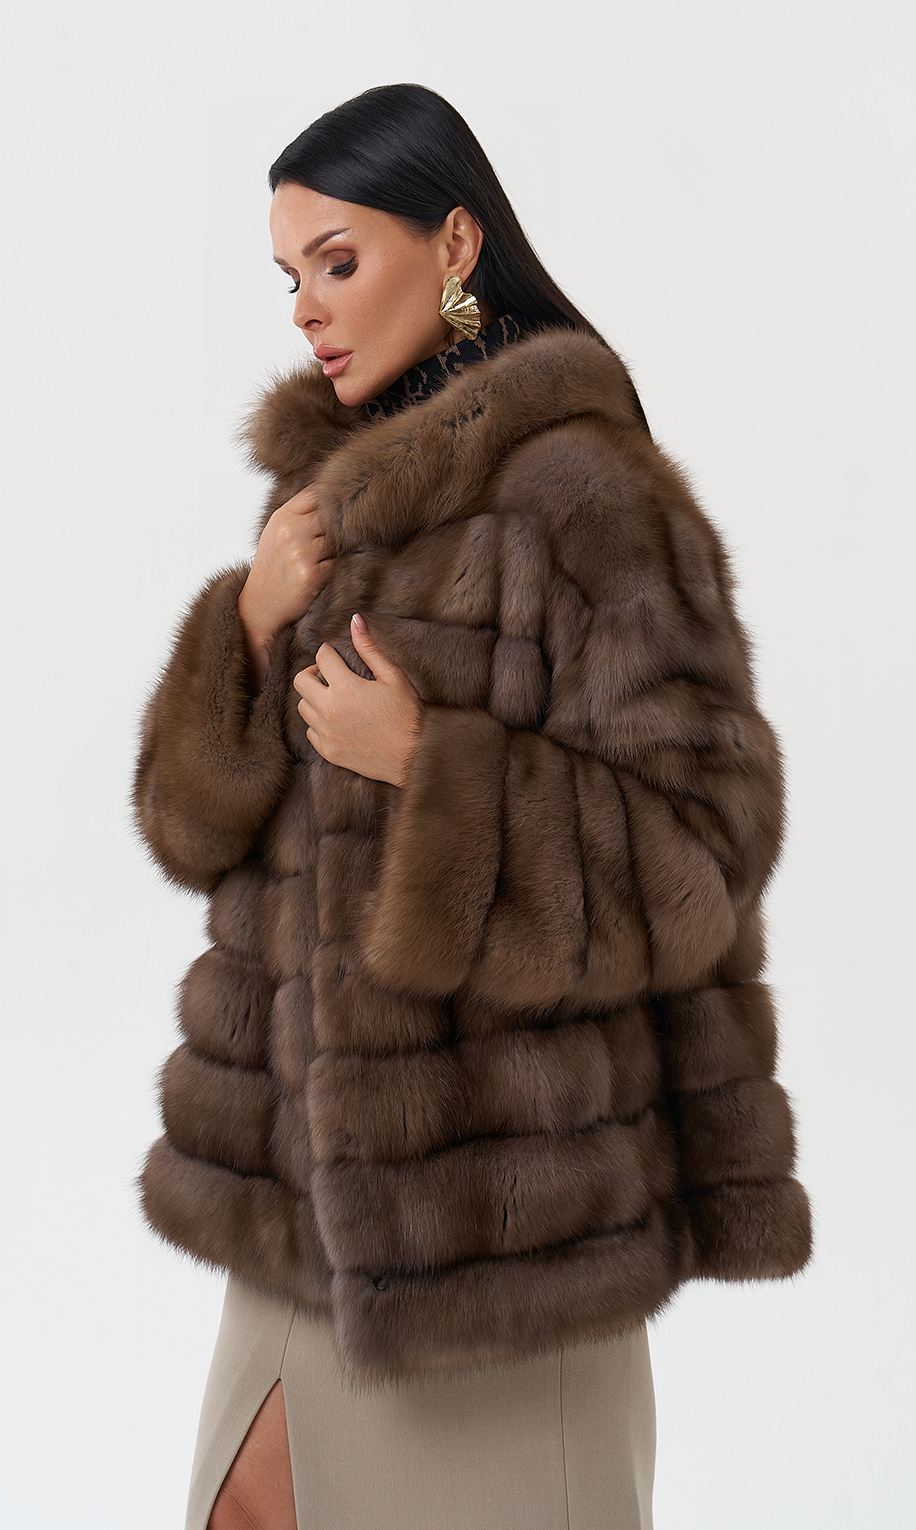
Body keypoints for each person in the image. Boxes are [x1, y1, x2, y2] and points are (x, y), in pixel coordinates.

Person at [131, 83, 813, 1530]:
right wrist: (244, 627)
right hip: (297, 1212)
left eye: (338, 260)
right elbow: (191, 833)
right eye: (289, 275)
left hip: (498, 1238)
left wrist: (430, 764)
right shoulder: (319, 506)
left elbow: (707, 844)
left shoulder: (586, 492)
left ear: (454, 243)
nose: (308, 309)